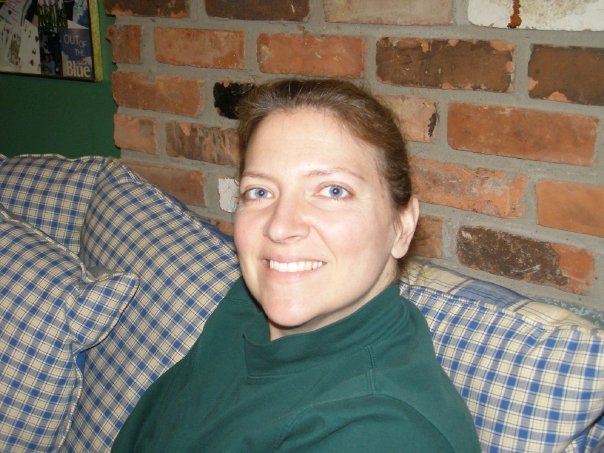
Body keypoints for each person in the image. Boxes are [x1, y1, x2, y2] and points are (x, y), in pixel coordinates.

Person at [111, 79, 481, 452]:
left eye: (333, 191)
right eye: (260, 192)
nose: (280, 226)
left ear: (402, 227)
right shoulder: (244, 311)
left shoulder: (385, 431)